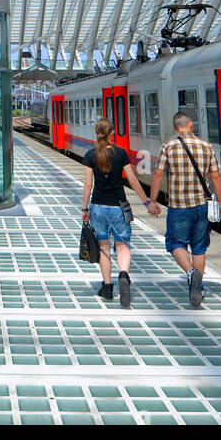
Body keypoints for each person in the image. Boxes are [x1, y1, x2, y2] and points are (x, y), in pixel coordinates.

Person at [147, 111, 221, 308]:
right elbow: (215, 176)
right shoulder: (206, 146)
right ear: (191, 125)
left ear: (175, 128)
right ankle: (198, 287)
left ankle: (191, 274)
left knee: (176, 243)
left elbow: (158, 173)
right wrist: (220, 202)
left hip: (179, 206)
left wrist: (152, 200)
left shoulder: (169, 146)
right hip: (202, 206)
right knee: (199, 246)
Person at [81, 118, 148, 308]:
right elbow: (133, 181)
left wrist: (85, 208)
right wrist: (147, 202)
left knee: (104, 247)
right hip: (119, 206)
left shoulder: (90, 155)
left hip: (98, 206)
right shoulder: (121, 154)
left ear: (96, 133)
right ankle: (124, 276)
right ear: (112, 133)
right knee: (122, 245)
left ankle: (107, 287)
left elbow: (88, 185)